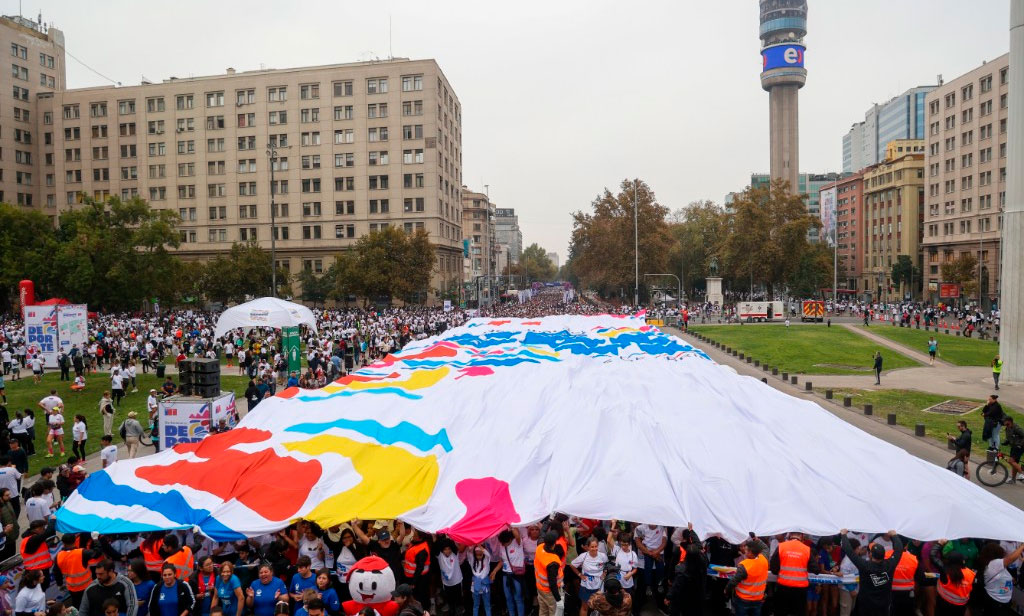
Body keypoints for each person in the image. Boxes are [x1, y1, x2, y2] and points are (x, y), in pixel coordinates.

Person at [839, 529, 903, 616]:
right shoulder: (890, 565)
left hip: (866, 607)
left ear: (870, 554)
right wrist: (894, 535)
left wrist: (843, 535)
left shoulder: (865, 566)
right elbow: (899, 549)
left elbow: (849, 551)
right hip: (884, 606)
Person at [770, 532, 819, 616]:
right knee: (798, 613)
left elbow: (773, 569)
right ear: (802, 536)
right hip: (800, 590)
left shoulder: (781, 546)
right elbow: (816, 570)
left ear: (789, 535)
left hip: (783, 587)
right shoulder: (807, 549)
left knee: (781, 612)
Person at [975, 540, 1024, 614]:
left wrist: (1010, 578)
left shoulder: (992, 564)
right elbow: (1011, 559)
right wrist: (1022, 546)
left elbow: (1001, 572)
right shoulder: (992, 564)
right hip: (996, 602)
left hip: (1001, 601)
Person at [724, 535, 769, 616]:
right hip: (758, 599)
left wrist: (727, 590)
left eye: (746, 549)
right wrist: (756, 539)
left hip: (743, 600)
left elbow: (734, 581)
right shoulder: (764, 559)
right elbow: (765, 548)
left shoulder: (744, 565)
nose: (744, 549)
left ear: (750, 553)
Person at [56, 532, 100, 608]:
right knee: (90, 605)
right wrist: (95, 540)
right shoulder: (81, 552)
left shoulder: (59, 555)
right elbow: (97, 553)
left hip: (72, 588)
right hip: (87, 586)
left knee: (77, 606)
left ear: (63, 543)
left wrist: (59, 584)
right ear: (74, 541)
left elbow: (56, 572)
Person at [929, 545, 973, 616]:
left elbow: (932, 556)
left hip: (943, 606)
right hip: (960, 608)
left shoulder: (945, 572)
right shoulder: (970, 573)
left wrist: (939, 544)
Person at [570, 536, 608, 616]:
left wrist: (604, 573)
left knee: (599, 607)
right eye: (592, 547)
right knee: (585, 607)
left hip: (599, 585)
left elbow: (606, 566)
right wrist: (580, 575)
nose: (594, 549)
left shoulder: (603, 556)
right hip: (586, 585)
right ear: (588, 547)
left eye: (596, 546)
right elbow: (572, 565)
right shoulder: (583, 556)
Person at [534, 531, 564, 616]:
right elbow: (552, 583)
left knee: (543, 611)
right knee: (554, 613)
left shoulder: (539, 547)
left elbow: (542, 532)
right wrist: (558, 600)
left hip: (540, 588)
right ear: (554, 544)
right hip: (550, 593)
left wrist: (549, 520)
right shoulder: (552, 561)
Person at [1001, 416, 1024, 482]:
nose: (1004, 422)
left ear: (1009, 421)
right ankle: (1013, 479)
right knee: (1014, 463)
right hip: (1014, 446)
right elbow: (1010, 437)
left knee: (1011, 461)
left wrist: (1020, 445)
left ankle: (1021, 474)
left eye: (1005, 421)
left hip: (1020, 446)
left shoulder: (1016, 427)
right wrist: (1006, 442)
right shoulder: (1007, 428)